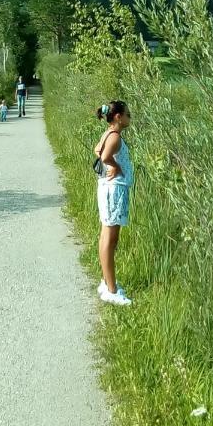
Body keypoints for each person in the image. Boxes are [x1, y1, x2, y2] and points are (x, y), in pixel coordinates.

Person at [94, 101, 133, 306]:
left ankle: (107, 281)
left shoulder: (108, 133)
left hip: (108, 188)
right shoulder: (115, 136)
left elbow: (97, 150)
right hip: (114, 189)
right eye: (127, 114)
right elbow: (106, 155)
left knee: (107, 236)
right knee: (110, 238)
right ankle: (111, 290)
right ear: (118, 117)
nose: (130, 117)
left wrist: (109, 163)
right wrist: (115, 166)